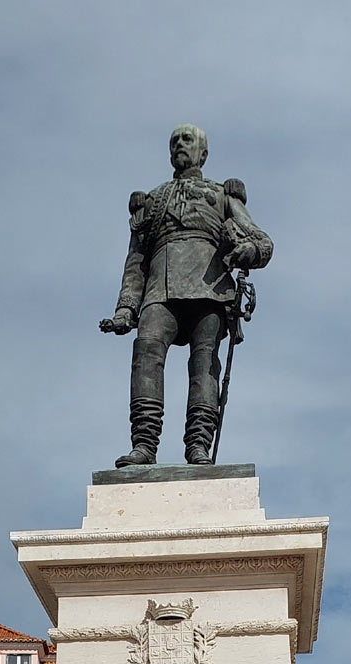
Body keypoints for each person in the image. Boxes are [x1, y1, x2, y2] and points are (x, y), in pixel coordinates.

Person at [101, 124, 273, 466]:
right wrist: (125, 308)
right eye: (175, 141)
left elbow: (262, 242)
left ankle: (198, 445)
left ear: (202, 153)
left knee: (204, 363)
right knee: (146, 351)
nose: (180, 145)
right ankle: (144, 445)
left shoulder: (222, 195)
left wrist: (246, 252)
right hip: (159, 289)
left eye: (188, 140)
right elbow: (136, 261)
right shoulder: (152, 201)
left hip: (209, 289)